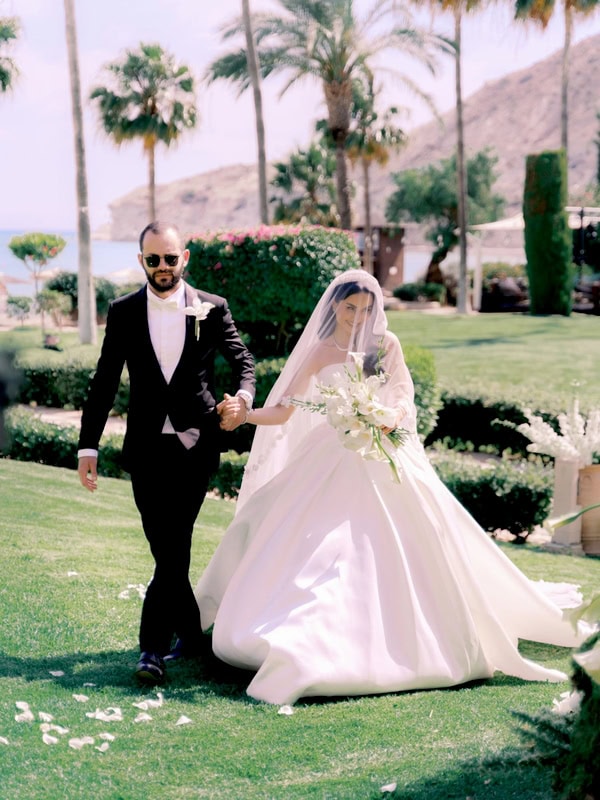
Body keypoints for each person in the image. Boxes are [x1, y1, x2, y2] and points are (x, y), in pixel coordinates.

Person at [196, 269, 587, 706]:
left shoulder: (386, 345)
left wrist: (390, 416)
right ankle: (300, 629)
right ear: (335, 305)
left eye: (366, 310)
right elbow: (285, 410)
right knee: (314, 543)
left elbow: (402, 393)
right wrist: (246, 416)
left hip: (380, 451)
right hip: (329, 454)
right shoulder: (319, 350)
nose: (357, 317)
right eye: (350, 308)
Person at [78, 220, 255, 684]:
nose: (162, 266)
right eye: (153, 259)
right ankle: (192, 636)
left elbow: (243, 361)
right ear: (142, 261)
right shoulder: (122, 311)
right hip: (145, 448)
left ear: (184, 258)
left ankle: (151, 651)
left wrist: (244, 398)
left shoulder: (212, 308)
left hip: (198, 445)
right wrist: (87, 445)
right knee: (167, 549)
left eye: (170, 258)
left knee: (174, 545)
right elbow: (104, 382)